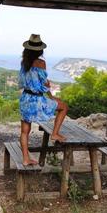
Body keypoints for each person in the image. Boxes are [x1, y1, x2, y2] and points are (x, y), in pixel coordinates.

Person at [18, 34, 68, 166]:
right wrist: (51, 96)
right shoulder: (41, 63)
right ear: (40, 50)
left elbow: (23, 81)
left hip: (25, 99)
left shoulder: (24, 63)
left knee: (24, 131)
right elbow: (44, 84)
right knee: (63, 107)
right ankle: (55, 134)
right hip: (36, 100)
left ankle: (25, 158)